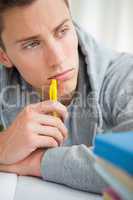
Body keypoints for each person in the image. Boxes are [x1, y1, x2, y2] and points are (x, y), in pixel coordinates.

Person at [0, 0, 133, 194]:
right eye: (32, 44)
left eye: (62, 31)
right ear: (4, 57)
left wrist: (35, 163)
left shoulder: (124, 76)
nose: (58, 59)